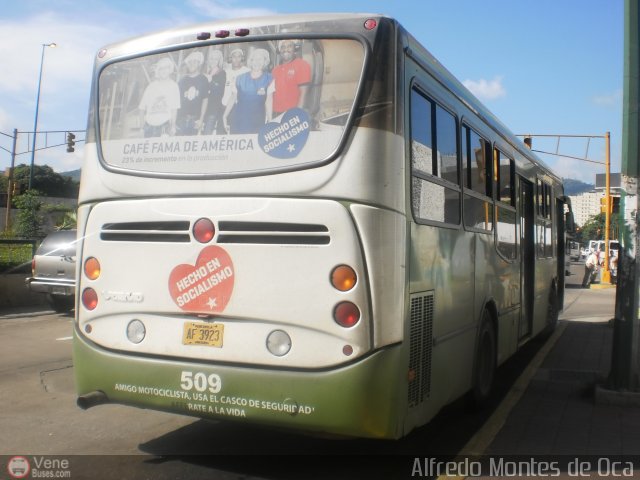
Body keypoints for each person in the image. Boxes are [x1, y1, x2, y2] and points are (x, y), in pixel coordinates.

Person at [223, 48, 273, 134]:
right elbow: (233, 97)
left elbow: (269, 101)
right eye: (254, 59)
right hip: (239, 119)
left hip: (258, 121)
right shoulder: (239, 78)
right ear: (251, 61)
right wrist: (225, 116)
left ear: (265, 62)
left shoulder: (269, 78)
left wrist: (270, 119)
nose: (257, 62)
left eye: (260, 59)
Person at [268, 39, 311, 118]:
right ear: (280, 50)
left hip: (292, 115)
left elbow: (304, 93)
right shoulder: (275, 70)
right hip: (276, 114)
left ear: (294, 49)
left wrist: (297, 115)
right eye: (283, 47)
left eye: (289, 46)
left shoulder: (302, 65)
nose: (286, 49)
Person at [138, 56, 180, 137]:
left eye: (166, 68)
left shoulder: (174, 86)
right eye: (161, 68)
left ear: (170, 70)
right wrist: (141, 128)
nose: (164, 71)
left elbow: (174, 109)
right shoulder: (151, 86)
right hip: (148, 127)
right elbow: (141, 108)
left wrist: (173, 126)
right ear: (158, 71)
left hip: (164, 127)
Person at [176, 51, 209, 135]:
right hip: (181, 120)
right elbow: (176, 102)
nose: (192, 64)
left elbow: (205, 100)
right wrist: (175, 121)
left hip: (196, 120)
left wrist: (201, 119)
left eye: (194, 61)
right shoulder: (182, 81)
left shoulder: (203, 79)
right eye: (190, 62)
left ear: (199, 64)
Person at [202, 49, 226, 135]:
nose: (213, 61)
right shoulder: (208, 72)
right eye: (211, 58)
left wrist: (210, 81)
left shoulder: (222, 73)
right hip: (204, 109)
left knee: (207, 134)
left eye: (215, 59)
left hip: (213, 110)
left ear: (219, 61)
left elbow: (220, 92)